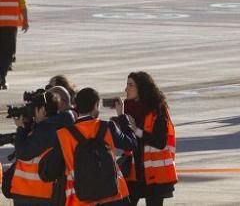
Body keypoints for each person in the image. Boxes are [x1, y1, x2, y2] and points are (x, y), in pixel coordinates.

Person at [45, 87, 135, 206]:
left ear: (76, 106)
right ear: (96, 105)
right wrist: (122, 116)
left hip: (81, 199)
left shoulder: (64, 135)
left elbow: (49, 171)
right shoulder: (108, 127)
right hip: (114, 195)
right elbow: (131, 144)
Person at [122, 72, 177, 205]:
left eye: (130, 85)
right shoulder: (128, 108)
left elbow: (159, 142)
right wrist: (120, 117)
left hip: (155, 173)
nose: (126, 89)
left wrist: (136, 130)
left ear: (141, 88)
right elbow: (125, 140)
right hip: (134, 173)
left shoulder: (158, 109)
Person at [10, 90, 68, 205]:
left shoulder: (46, 131)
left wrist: (21, 129)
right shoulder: (59, 124)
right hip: (45, 193)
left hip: (34, 194)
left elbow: (23, 152)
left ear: (42, 110)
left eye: (34, 110)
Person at [0, 0, 29, 90]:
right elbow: (23, 3)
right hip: (10, 24)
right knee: (7, 53)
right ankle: (2, 77)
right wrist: (25, 21)